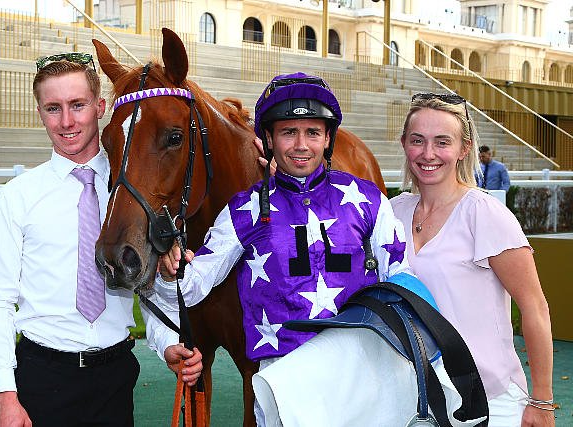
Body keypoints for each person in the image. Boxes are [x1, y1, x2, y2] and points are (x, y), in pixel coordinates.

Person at [148, 74, 485, 426]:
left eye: (312, 132)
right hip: (284, 379)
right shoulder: (243, 209)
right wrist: (172, 273)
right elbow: (191, 287)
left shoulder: (368, 199)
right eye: (288, 132)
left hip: (359, 374)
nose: (301, 145)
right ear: (269, 139)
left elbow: (399, 279)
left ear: (327, 139)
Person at [0, 53, 202, 427]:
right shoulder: (17, 197)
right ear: (40, 113)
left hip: (115, 379)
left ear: (100, 107)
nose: (66, 121)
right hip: (42, 378)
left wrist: (167, 344)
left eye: (78, 105)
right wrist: (6, 397)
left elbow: (145, 286)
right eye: (53, 108)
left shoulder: (135, 194)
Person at [390, 92, 554, 427]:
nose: (428, 153)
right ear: (404, 143)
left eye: (442, 142)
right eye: (418, 140)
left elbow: (534, 307)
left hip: (490, 399)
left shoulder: (484, 214)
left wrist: (542, 400)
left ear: (464, 148)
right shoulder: (392, 212)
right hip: (419, 400)